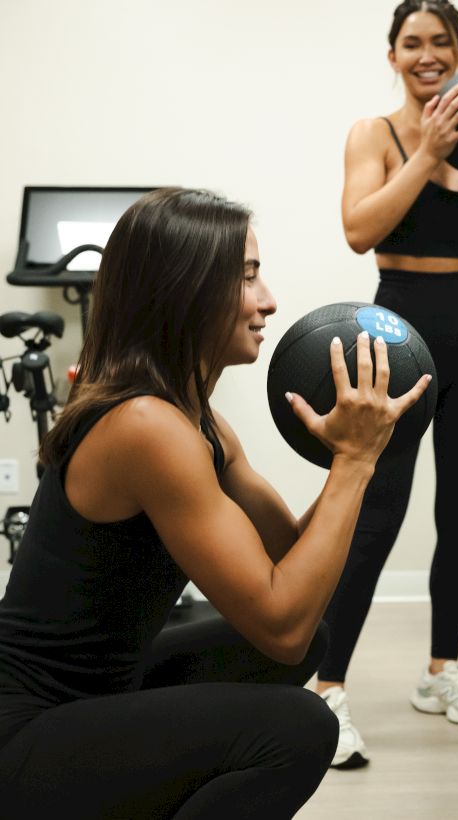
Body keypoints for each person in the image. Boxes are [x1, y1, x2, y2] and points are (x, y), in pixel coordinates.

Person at [0, 187, 429, 818]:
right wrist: (355, 462)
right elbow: (280, 624)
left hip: (100, 692)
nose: (270, 301)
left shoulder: (196, 420)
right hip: (26, 731)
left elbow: (291, 570)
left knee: (312, 641)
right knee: (299, 727)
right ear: (184, 289)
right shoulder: (148, 426)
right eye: (248, 277)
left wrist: (361, 457)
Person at [315, 0, 458, 769]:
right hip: (397, 336)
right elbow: (359, 229)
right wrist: (427, 149)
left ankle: (442, 671)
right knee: (374, 514)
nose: (427, 54)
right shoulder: (372, 136)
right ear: (393, 56)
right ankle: (329, 687)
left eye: (440, 42)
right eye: (412, 43)